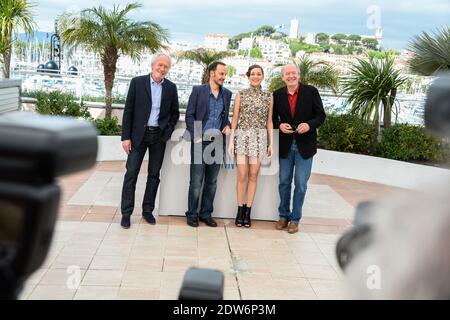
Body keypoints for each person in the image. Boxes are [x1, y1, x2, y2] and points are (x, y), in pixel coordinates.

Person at [120, 52, 180, 229]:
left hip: (158, 137)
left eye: (165, 66)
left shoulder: (171, 87)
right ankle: (126, 213)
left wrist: (166, 132)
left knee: (154, 175)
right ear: (152, 65)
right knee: (131, 174)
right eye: (160, 65)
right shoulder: (137, 82)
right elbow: (128, 110)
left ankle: (147, 211)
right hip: (138, 136)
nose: (162, 69)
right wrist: (126, 137)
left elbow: (174, 113)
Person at [272, 64, 326, 234]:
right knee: (284, 183)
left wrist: (309, 125)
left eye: (293, 73)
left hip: (305, 146)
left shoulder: (311, 92)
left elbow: (321, 116)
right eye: (287, 74)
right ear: (283, 77)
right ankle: (283, 216)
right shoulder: (277, 94)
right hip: (285, 145)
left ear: (299, 76)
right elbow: (272, 119)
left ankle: (295, 220)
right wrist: (279, 125)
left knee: (301, 184)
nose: (290, 76)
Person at [184, 61, 232, 228]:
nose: (224, 77)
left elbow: (225, 118)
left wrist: (228, 125)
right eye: (221, 73)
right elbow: (189, 115)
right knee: (196, 181)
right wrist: (196, 136)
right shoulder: (198, 91)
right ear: (212, 73)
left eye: (225, 74)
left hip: (218, 142)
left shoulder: (227, 94)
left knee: (212, 181)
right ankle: (192, 214)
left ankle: (206, 214)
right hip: (200, 142)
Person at [228, 65, 273, 228]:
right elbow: (234, 119)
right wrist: (232, 140)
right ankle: (239, 210)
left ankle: (248, 212)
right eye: (252, 74)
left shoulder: (269, 96)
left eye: (258, 74)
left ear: (262, 76)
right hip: (241, 137)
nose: (255, 76)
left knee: (253, 175)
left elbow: (269, 121)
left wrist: (270, 143)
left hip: (259, 138)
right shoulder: (241, 94)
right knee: (242, 174)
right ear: (248, 76)